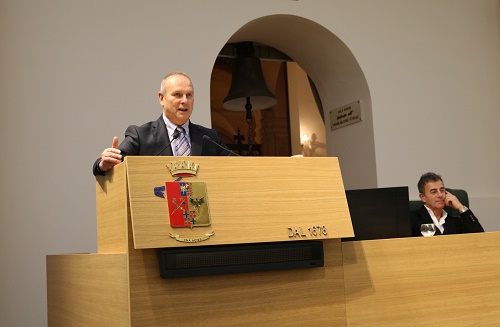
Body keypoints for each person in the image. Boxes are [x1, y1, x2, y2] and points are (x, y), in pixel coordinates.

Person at [93, 72, 232, 176]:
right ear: (161, 98)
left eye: (189, 95)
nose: (185, 101)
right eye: (177, 95)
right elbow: (108, 164)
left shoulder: (209, 137)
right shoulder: (141, 136)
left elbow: (237, 165)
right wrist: (102, 164)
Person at [410, 172, 484, 236]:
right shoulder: (411, 219)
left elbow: (479, 236)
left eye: (442, 190)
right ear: (423, 197)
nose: (440, 195)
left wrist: (461, 207)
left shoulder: (454, 221)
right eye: (434, 192)